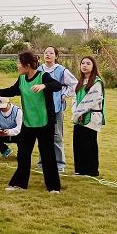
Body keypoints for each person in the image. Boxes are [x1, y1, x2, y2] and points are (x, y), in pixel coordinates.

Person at [0, 51, 63, 192]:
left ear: (27, 65)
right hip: (28, 124)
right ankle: (20, 184)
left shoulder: (43, 76)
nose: (17, 66)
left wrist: (44, 86)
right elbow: (13, 90)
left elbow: (57, 85)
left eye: (19, 63)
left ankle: (53, 187)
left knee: (47, 155)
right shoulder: (22, 79)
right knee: (23, 154)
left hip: (45, 123)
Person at [37, 46, 78, 174]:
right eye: (46, 52)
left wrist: (64, 94)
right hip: (41, 108)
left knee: (56, 136)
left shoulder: (61, 70)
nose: (48, 55)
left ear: (56, 56)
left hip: (56, 108)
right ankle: (42, 163)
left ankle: (59, 164)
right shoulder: (39, 70)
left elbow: (75, 84)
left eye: (51, 53)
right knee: (42, 136)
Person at [71, 56, 104, 177]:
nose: (84, 65)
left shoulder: (96, 82)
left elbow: (92, 99)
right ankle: (80, 169)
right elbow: (75, 99)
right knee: (78, 142)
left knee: (89, 143)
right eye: (83, 63)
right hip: (79, 116)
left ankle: (91, 170)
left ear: (93, 66)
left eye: (88, 63)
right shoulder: (79, 82)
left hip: (91, 116)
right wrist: (76, 112)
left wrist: (81, 112)